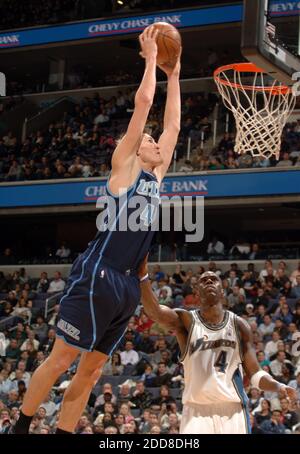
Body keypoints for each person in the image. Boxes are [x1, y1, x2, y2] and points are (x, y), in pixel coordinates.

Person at [14, 26, 181, 435]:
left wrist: (175, 73)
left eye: (153, 140)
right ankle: (19, 426)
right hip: (97, 273)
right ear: (135, 147)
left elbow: (173, 125)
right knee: (61, 359)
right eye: (148, 138)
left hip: (125, 285)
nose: (154, 140)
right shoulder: (124, 167)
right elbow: (144, 103)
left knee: (89, 374)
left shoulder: (157, 178)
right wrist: (149, 62)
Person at [138, 256, 297, 434]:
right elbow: (155, 312)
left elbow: (255, 374)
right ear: (196, 292)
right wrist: (143, 276)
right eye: (204, 281)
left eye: (214, 279)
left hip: (232, 410)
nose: (209, 282)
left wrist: (278, 386)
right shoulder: (186, 320)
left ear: (222, 290)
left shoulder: (239, 325)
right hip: (196, 410)